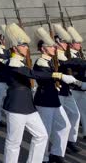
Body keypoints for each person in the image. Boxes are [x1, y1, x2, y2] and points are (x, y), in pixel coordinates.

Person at [2, 23, 49, 163]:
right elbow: (31, 74)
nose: (27, 48)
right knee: (14, 142)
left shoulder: (20, 61)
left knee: (41, 135)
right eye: (23, 45)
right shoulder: (13, 62)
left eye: (27, 45)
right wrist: (57, 75)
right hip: (16, 106)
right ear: (15, 47)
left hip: (28, 106)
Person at [33, 26, 78, 163]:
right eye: (51, 46)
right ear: (43, 49)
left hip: (54, 99)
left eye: (54, 46)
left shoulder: (51, 61)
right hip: (45, 99)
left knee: (65, 125)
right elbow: (45, 76)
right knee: (45, 130)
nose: (54, 48)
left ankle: (57, 153)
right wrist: (60, 77)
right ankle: (44, 157)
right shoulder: (41, 62)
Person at [53, 24, 84, 153]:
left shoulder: (64, 55)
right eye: (64, 42)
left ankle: (71, 141)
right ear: (58, 42)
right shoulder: (58, 56)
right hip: (58, 91)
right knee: (60, 121)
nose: (67, 44)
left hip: (66, 91)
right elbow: (71, 64)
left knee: (75, 115)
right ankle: (59, 145)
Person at [67, 26, 86, 141]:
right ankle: (70, 139)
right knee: (74, 114)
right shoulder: (69, 55)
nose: (79, 45)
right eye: (77, 43)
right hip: (74, 87)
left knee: (83, 112)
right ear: (72, 44)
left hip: (81, 86)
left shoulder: (79, 54)